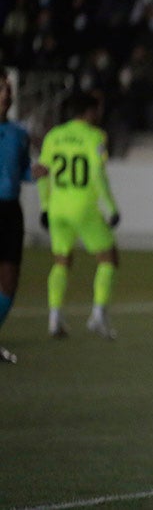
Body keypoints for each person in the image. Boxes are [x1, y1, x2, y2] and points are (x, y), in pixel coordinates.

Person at [38, 90, 121, 340]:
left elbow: (43, 172)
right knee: (108, 259)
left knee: (61, 261)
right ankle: (98, 315)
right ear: (89, 112)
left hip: (57, 206)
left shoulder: (54, 136)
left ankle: (54, 319)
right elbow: (97, 174)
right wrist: (112, 207)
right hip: (82, 205)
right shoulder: (95, 136)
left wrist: (44, 205)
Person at [0, 71, 34, 363]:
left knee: (9, 283)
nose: (7, 95)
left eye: (8, 89)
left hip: (11, 212)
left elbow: (22, 170)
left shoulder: (19, 133)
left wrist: (33, 174)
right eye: (2, 89)